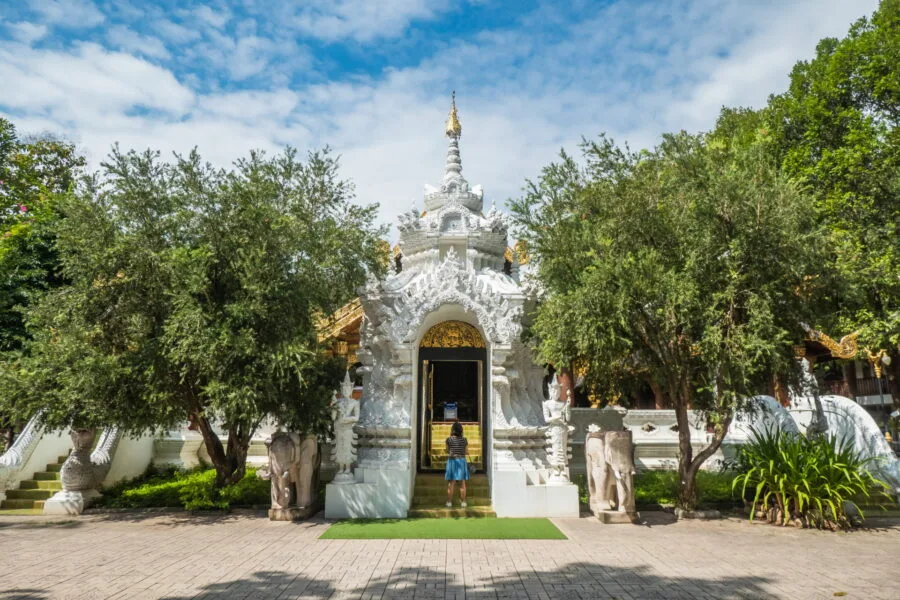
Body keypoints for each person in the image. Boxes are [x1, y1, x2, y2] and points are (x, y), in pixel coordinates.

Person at [445, 420, 469, 508]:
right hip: (461, 461)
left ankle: (449, 502)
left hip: (452, 461)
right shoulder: (464, 440)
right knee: (462, 482)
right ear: (461, 430)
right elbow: (466, 452)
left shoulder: (449, 439)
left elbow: (447, 450)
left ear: (452, 430)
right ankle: (463, 502)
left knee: (451, 483)